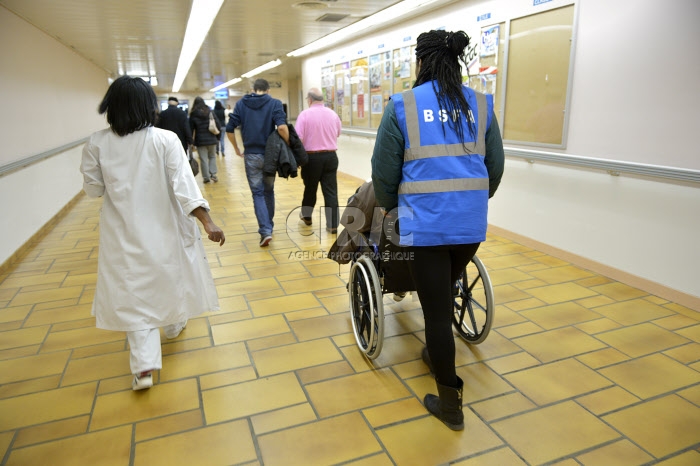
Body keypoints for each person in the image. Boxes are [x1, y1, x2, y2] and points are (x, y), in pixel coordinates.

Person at [371, 30, 504, 430]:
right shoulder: (480, 105)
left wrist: (396, 209)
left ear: (420, 62)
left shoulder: (403, 106)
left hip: (423, 227)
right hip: (469, 227)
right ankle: (437, 353)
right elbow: (494, 168)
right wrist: (471, 203)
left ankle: (449, 403)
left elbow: (384, 174)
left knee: (435, 310)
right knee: (444, 291)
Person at [80, 75, 226, 391]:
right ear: (148, 107)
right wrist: (207, 222)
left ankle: (144, 368)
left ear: (111, 107)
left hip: (122, 231)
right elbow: (185, 188)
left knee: (133, 293)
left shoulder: (97, 143)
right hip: (165, 227)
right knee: (169, 276)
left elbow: (93, 190)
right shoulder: (164, 140)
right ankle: (173, 323)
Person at [226, 78, 289, 247]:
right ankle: (269, 226)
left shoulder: (241, 104)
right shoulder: (274, 103)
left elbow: (229, 128)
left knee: (257, 193)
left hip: (251, 155)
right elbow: (282, 128)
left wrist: (236, 149)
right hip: (270, 155)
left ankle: (265, 230)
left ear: (253, 89)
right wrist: (289, 146)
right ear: (268, 90)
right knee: (268, 190)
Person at [295, 88, 342, 233]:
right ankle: (333, 225)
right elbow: (338, 133)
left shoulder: (304, 115)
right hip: (330, 156)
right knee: (331, 191)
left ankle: (307, 216)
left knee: (310, 188)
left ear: (309, 99)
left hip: (311, 158)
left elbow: (298, 138)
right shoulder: (333, 114)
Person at [190, 97, 222, 183]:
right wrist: (218, 137)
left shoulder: (193, 114)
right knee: (212, 157)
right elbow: (218, 125)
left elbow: (191, 129)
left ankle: (206, 177)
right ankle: (213, 174)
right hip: (212, 139)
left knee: (203, 159)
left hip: (200, 141)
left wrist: (191, 141)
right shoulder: (210, 112)